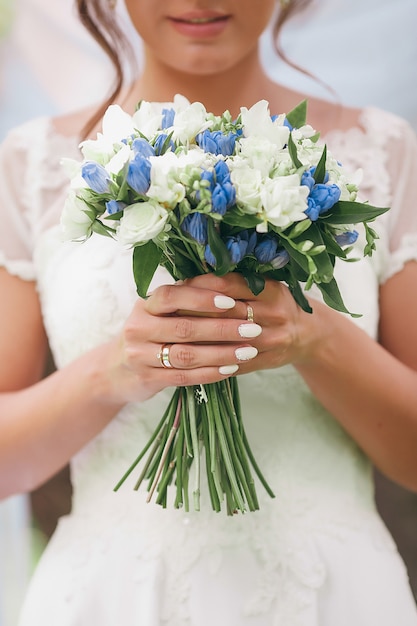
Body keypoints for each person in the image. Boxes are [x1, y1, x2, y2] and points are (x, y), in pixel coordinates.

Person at [1, 0, 417, 624]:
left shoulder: (381, 152)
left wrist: (317, 338)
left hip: (332, 594)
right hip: (116, 598)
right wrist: (112, 372)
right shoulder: (33, 163)